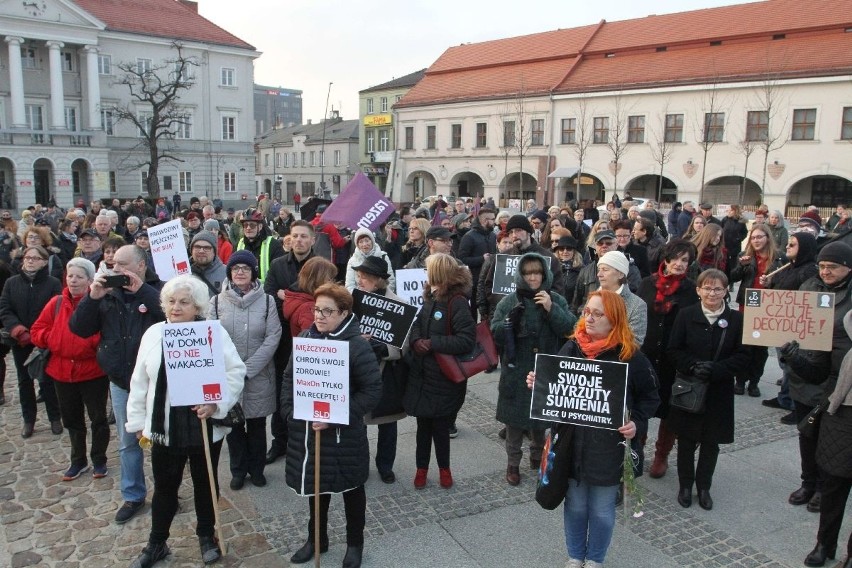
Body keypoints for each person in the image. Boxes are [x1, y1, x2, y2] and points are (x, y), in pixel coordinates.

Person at [526, 290, 659, 568]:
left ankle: (595, 559)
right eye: (587, 312)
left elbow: (651, 398)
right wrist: (539, 384)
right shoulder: (573, 347)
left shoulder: (629, 355)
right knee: (575, 506)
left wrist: (637, 423)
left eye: (598, 314)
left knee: (600, 510)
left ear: (615, 320)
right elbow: (557, 386)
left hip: (608, 447)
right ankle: (576, 555)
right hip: (572, 445)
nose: (590, 318)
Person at [126, 275, 245, 568]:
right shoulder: (153, 334)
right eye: (170, 301)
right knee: (165, 486)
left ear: (197, 306)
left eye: (183, 302)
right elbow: (140, 381)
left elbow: (235, 371)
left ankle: (207, 536)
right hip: (164, 425)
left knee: (206, 483)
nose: (175, 307)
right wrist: (138, 420)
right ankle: (157, 543)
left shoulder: (212, 334)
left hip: (202, 423)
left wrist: (216, 403)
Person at [281, 283, 381, 568]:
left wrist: (337, 415)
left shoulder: (357, 346)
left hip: (343, 435)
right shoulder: (305, 337)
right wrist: (290, 413)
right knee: (316, 488)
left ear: (344, 313)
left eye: (328, 311)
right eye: (317, 309)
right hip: (309, 432)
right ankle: (316, 539)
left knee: (351, 490)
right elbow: (289, 379)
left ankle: (354, 544)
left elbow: (372, 391)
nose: (320, 316)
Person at [69, 244, 165, 524]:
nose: (116, 269)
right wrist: (92, 297)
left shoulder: (158, 289)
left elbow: (174, 319)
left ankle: (166, 493)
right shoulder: (107, 294)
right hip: (121, 381)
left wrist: (143, 292)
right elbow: (79, 328)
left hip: (156, 381)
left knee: (161, 439)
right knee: (128, 441)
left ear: (140, 266)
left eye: (122, 264)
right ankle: (133, 495)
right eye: (113, 265)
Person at [668, 269, 752, 510]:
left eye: (717, 289)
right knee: (685, 440)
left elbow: (743, 355)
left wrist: (718, 369)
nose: (712, 293)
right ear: (698, 290)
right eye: (707, 288)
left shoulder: (736, 319)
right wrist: (693, 365)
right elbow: (674, 349)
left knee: (711, 442)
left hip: (718, 390)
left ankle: (704, 486)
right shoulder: (686, 315)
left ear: (726, 291)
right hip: (690, 388)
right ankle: (685, 484)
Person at [780, 241, 852, 519]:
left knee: (829, 436)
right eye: (822, 266)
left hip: (840, 378)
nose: (826, 272)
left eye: (832, 267)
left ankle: (824, 487)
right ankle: (807, 482)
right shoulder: (809, 286)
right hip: (806, 370)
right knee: (806, 432)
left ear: (847, 267)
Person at [491, 253, 575, 485]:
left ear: (544, 274)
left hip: (545, 369)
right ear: (521, 275)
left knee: (540, 421)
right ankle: (513, 464)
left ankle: (538, 458)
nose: (533, 277)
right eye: (528, 273)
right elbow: (495, 331)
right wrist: (511, 323)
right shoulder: (509, 301)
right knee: (515, 424)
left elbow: (570, 328)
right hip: (516, 371)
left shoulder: (555, 298)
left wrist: (551, 308)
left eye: (537, 272)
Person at [31, 258, 109, 480]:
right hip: (62, 371)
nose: (73, 281)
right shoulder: (56, 303)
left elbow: (105, 334)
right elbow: (37, 330)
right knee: (72, 420)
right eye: (70, 276)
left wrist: (88, 343)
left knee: (98, 418)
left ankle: (99, 459)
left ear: (90, 280)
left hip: (92, 371)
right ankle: (78, 460)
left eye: (79, 277)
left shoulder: (99, 303)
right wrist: (54, 338)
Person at [402, 253, 475, 490]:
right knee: (423, 428)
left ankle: (445, 469)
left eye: (429, 269)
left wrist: (432, 343)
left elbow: (466, 340)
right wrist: (415, 342)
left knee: (441, 429)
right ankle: (421, 469)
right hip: (423, 374)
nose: (425, 273)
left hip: (444, 377)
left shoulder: (457, 301)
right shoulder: (429, 296)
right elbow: (416, 325)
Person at [209, 251, 281, 490]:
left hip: (258, 375)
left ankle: (257, 469)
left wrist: (247, 369)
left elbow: (273, 337)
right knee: (234, 427)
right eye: (236, 268)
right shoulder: (217, 303)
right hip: (229, 376)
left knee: (258, 427)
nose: (240, 272)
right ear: (229, 272)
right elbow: (211, 337)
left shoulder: (268, 301)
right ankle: (238, 470)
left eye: (245, 268)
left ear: (253, 272)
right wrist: (232, 369)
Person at [637, 239, 699, 479]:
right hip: (647, 355)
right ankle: (637, 447)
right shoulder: (647, 284)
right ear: (666, 258)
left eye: (685, 260)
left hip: (674, 358)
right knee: (642, 405)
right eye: (676, 258)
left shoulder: (692, 290)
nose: (680, 264)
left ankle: (662, 454)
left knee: (670, 408)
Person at [795, 310, 852, 568]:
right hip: (841, 416)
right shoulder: (844, 327)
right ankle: (824, 544)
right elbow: (817, 372)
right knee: (834, 487)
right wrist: (793, 355)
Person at [352, 256, 409, 484]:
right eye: (358, 276)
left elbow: (404, 344)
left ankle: (385, 466)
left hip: (387, 372)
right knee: (359, 425)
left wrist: (380, 346)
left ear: (377, 280)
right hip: (360, 373)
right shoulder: (354, 302)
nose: (359, 281)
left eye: (364, 277)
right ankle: (361, 465)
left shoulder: (398, 304)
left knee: (388, 423)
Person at [0, 245, 63, 438]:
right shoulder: (12, 283)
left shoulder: (52, 283)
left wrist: (40, 334)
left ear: (44, 262)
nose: (30, 260)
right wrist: (17, 329)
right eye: (27, 257)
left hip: (44, 341)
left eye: (35, 258)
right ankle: (29, 420)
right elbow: (5, 308)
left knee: (48, 381)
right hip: (20, 341)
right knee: (24, 381)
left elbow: (57, 310)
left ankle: (55, 417)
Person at [760, 232, 819, 419]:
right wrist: (768, 284)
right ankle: (785, 397)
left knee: (794, 365)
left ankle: (795, 404)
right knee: (785, 364)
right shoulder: (788, 266)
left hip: (796, 325)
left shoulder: (809, 271)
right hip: (783, 323)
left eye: (792, 245)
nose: (787, 247)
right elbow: (779, 289)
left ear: (804, 249)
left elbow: (804, 298)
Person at [730, 224, 784, 396]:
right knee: (744, 345)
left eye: (760, 237)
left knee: (760, 349)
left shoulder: (779, 258)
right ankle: (740, 380)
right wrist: (742, 266)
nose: (756, 240)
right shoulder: (745, 256)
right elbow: (733, 277)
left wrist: (771, 284)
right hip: (747, 305)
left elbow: (785, 282)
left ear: (768, 237)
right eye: (753, 238)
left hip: (767, 308)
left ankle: (754, 382)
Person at [595, 251, 647, 343]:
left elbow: (634, 342)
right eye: (599, 269)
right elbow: (580, 329)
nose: (599, 274)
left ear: (621, 274)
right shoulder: (593, 298)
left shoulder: (637, 305)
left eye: (605, 269)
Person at [282, 257, 339, 337]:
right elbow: (313, 339)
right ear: (317, 280)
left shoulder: (301, 299)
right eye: (329, 279)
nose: (332, 283)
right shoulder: (309, 308)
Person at [235, 207, 284, 282]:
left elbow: (280, 274)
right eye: (245, 225)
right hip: (243, 291)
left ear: (260, 227)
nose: (248, 228)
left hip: (266, 291)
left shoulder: (273, 245)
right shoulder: (240, 244)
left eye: (252, 225)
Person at [345, 228, 395, 293]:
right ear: (357, 245)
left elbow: (390, 281)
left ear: (372, 240)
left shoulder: (383, 256)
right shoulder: (352, 261)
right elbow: (349, 285)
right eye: (361, 242)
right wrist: (359, 298)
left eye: (367, 240)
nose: (364, 244)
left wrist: (382, 297)